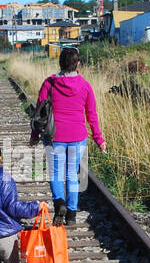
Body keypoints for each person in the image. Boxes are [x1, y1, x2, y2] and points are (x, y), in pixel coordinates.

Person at [36, 47, 106, 225]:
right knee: (72, 175)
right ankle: (72, 214)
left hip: (55, 136)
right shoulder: (85, 86)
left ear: (60, 63)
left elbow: (39, 112)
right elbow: (92, 115)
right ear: (78, 64)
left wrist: (34, 134)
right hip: (77, 137)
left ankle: (60, 202)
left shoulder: (49, 83)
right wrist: (99, 139)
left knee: (57, 173)